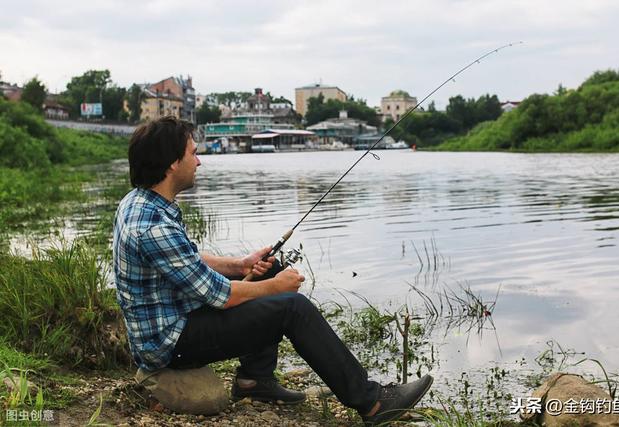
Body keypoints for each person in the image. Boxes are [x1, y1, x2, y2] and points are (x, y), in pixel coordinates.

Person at [113, 116, 433, 425]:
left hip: (176, 318)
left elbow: (187, 260)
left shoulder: (141, 202)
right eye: (193, 154)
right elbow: (221, 296)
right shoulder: (153, 226)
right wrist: (277, 288)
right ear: (172, 163)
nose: (199, 162)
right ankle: (374, 403)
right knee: (293, 307)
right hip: (169, 344)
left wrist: (242, 265)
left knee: (268, 270)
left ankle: (255, 381)